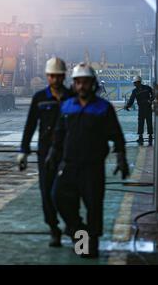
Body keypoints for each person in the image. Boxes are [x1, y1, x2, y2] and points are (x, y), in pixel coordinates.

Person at [47, 63, 130, 258]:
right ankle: (77, 229)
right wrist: (52, 152)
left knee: (93, 206)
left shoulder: (103, 108)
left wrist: (121, 158)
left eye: (85, 82)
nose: (82, 86)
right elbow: (59, 133)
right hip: (69, 165)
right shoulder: (67, 106)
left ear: (92, 84)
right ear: (74, 84)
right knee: (58, 196)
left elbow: (117, 136)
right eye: (78, 82)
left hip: (92, 168)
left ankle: (88, 244)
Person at [18, 57, 74, 247]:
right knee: (46, 193)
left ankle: (73, 227)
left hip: (68, 153)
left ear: (64, 76)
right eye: (52, 76)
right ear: (47, 76)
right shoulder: (39, 98)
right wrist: (23, 150)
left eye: (58, 76)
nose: (55, 80)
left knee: (69, 193)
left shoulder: (72, 97)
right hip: (45, 154)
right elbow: (30, 125)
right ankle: (54, 229)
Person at [125, 76, 155, 146]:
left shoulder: (146, 88)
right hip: (142, 108)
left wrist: (150, 100)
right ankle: (141, 136)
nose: (134, 84)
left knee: (147, 121)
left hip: (147, 108)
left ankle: (149, 136)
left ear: (138, 82)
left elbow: (154, 94)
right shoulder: (135, 91)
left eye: (135, 83)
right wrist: (127, 106)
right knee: (142, 122)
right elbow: (131, 100)